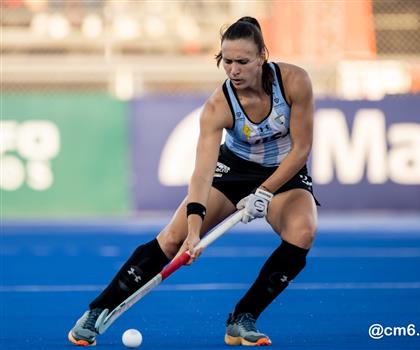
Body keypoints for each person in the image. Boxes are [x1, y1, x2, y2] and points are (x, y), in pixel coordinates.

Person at [68, 16, 318, 347]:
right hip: (234, 171)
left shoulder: (295, 82)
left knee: (303, 232)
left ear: (262, 57)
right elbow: (202, 172)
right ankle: (97, 311)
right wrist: (194, 230)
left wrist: (265, 191)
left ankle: (243, 318)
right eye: (227, 62)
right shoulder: (218, 105)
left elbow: (301, 148)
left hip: (284, 171)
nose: (234, 70)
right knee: (172, 237)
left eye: (243, 62)